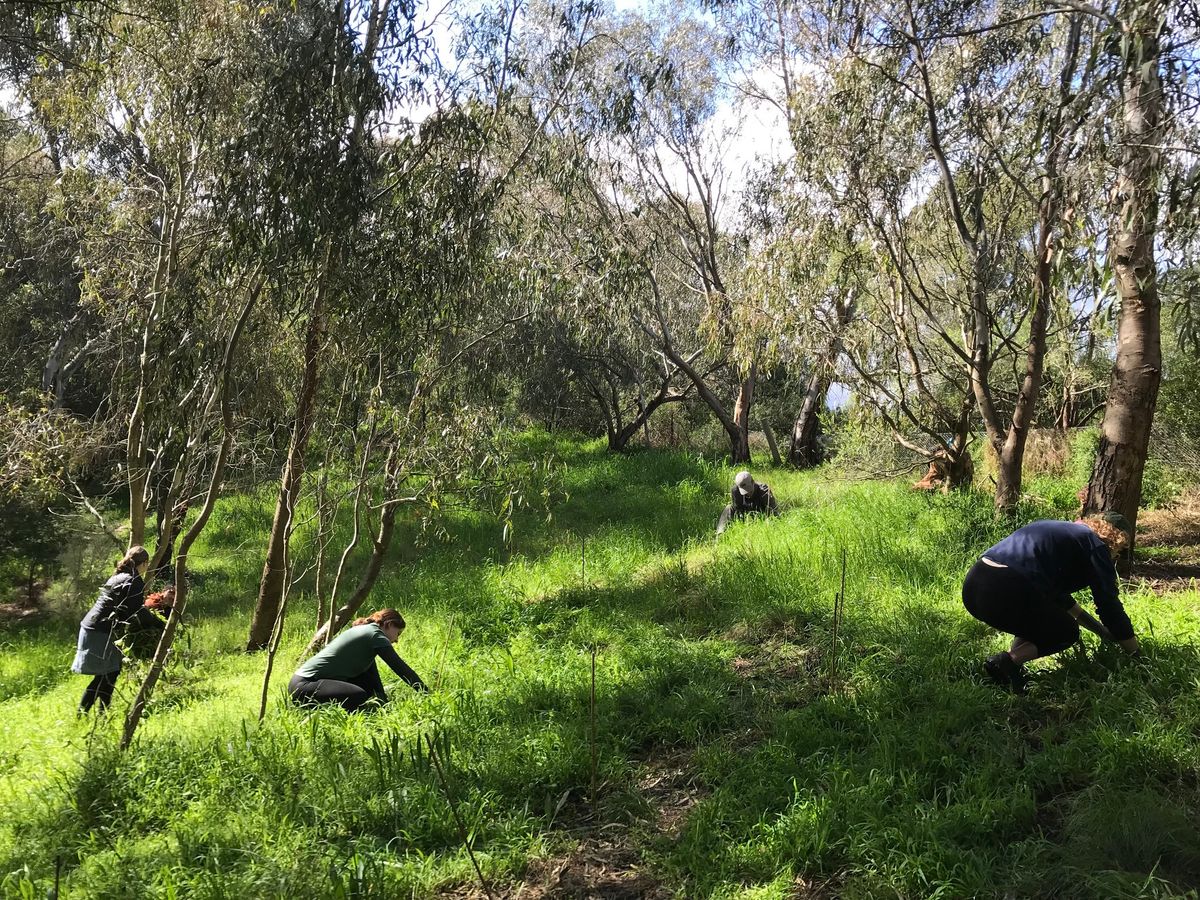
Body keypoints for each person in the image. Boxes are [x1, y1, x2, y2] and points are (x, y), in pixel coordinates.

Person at [962, 513, 1140, 693]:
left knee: (1043, 618)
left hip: (974, 588)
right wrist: (1136, 654)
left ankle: (1009, 670)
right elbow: (1109, 605)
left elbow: (1063, 603)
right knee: (1066, 631)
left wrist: (1103, 632)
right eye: (1120, 549)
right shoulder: (1094, 545)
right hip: (1006, 588)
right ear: (1117, 539)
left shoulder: (1062, 534)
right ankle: (1009, 660)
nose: (1117, 554)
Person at [72, 545, 161, 712]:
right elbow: (136, 611)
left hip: (91, 627)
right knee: (107, 674)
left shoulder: (118, 576)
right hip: (100, 630)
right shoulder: (133, 580)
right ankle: (85, 712)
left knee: (108, 673)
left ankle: (101, 713)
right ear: (144, 563)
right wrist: (158, 624)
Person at [288, 608, 427, 712]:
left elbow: (373, 678)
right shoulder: (374, 635)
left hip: (302, 684)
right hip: (304, 686)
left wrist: (383, 702)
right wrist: (426, 693)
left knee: (366, 690)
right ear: (389, 624)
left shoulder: (368, 633)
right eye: (398, 633)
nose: (396, 640)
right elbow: (400, 668)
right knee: (358, 695)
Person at [716, 470, 779, 535]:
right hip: (745, 510)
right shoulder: (735, 491)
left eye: (750, 491)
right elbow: (737, 509)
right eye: (744, 492)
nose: (748, 494)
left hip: (761, 512)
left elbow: (773, 512)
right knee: (728, 508)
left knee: (770, 521)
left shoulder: (764, 492)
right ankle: (720, 534)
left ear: (753, 482)